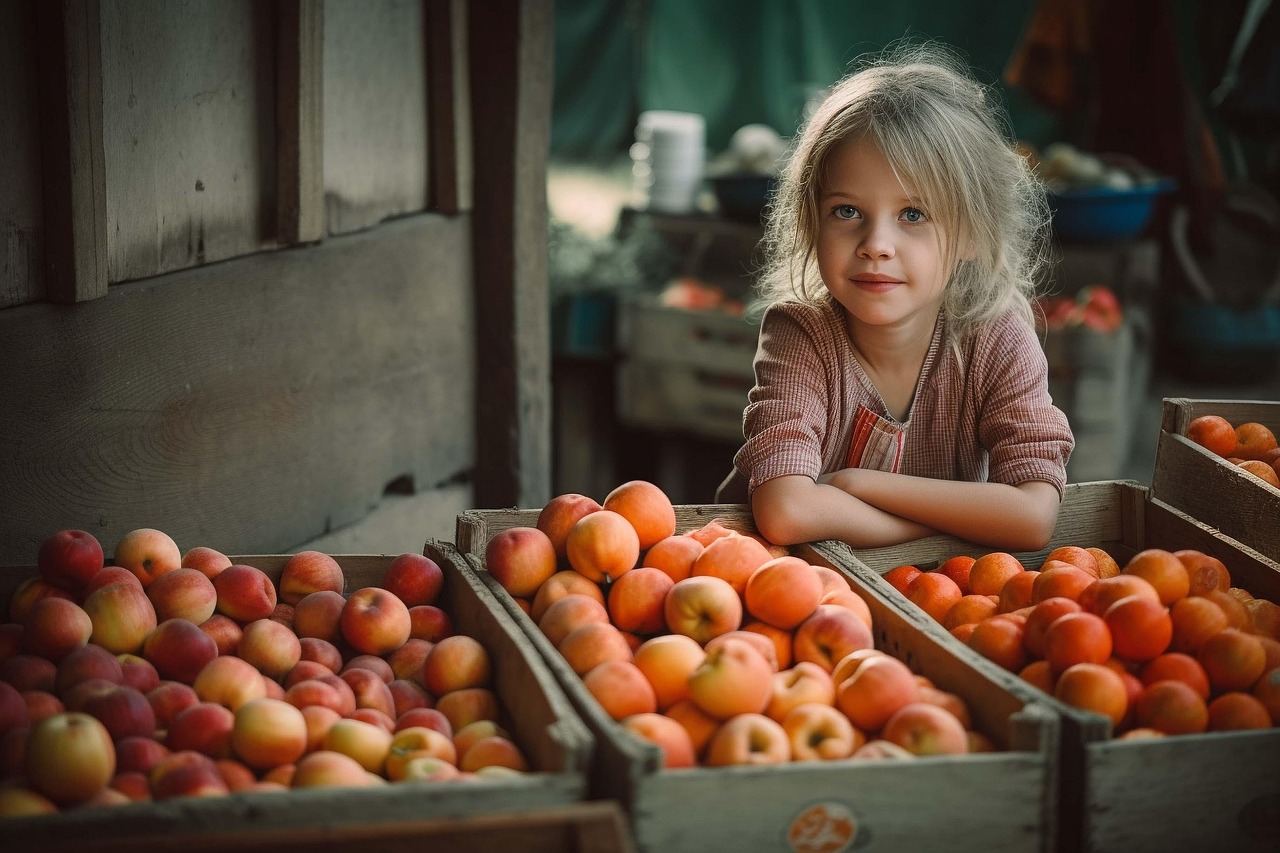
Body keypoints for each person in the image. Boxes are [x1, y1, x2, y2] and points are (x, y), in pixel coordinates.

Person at [717, 43, 1075, 551]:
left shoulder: (996, 339)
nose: (875, 246)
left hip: (925, 599)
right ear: (811, 221)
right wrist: (949, 524)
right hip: (783, 590)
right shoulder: (801, 335)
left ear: (973, 233)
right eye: (846, 212)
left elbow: (1034, 517)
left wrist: (860, 485)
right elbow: (786, 512)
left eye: (913, 215)